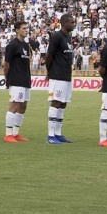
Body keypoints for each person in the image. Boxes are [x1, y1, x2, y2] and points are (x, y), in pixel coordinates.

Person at [44, 13, 75, 144]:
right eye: (71, 22)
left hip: (66, 75)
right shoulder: (57, 37)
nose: (73, 24)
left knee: (63, 104)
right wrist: (49, 71)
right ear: (64, 23)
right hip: (57, 75)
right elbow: (49, 55)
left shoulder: (68, 37)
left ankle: (58, 133)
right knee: (56, 102)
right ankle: (50, 136)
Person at [3, 21, 32, 143]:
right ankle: (8, 134)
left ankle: (16, 133)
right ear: (17, 30)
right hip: (16, 79)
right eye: (24, 28)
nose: (26, 30)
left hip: (25, 80)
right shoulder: (12, 45)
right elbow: (6, 63)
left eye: (27, 28)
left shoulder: (25, 45)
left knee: (23, 106)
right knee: (14, 106)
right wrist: (7, 78)